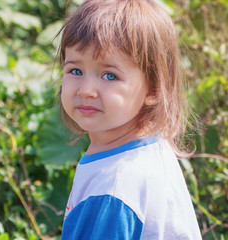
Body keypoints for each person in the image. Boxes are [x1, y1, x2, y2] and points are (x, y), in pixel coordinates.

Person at [57, 0, 202, 239]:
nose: (86, 90)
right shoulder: (150, 144)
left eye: (109, 75)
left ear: (154, 89)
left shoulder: (114, 189)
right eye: (75, 70)